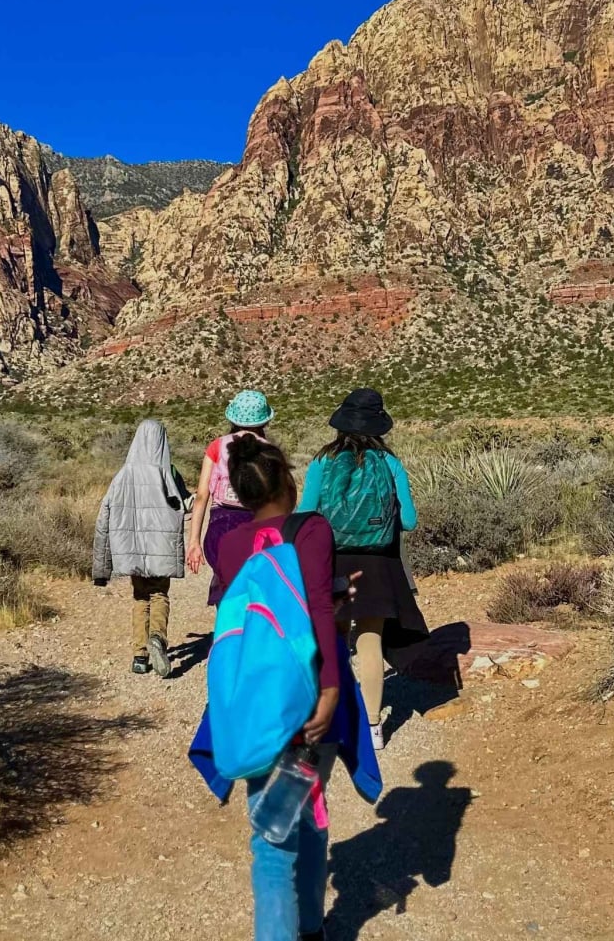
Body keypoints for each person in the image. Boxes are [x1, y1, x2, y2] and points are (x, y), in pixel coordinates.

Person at [202, 433, 377, 941]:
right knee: (298, 823)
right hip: (307, 696)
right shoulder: (313, 529)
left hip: (255, 697)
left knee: (275, 828)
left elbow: (260, 615)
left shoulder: (231, 545)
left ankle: (303, 928)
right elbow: (317, 609)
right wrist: (328, 690)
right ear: (288, 480)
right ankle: (307, 928)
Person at [298, 388, 427, 750]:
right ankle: (373, 727)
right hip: (378, 565)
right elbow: (411, 521)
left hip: (331, 561)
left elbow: (306, 513)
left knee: (335, 640)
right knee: (370, 640)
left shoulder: (322, 462)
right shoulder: (390, 463)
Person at [92, 419, 192, 678]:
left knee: (140, 597)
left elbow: (104, 517)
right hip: (161, 549)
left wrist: (101, 570)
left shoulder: (123, 475)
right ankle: (157, 638)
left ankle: (139, 655)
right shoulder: (168, 472)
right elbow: (184, 503)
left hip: (132, 549)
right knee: (159, 594)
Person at [186, 389, 274, 606]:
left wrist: (194, 542)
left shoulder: (217, 446)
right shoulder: (270, 450)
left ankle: (227, 633)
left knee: (226, 588)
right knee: (253, 590)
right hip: (256, 524)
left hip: (220, 525)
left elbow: (201, 496)